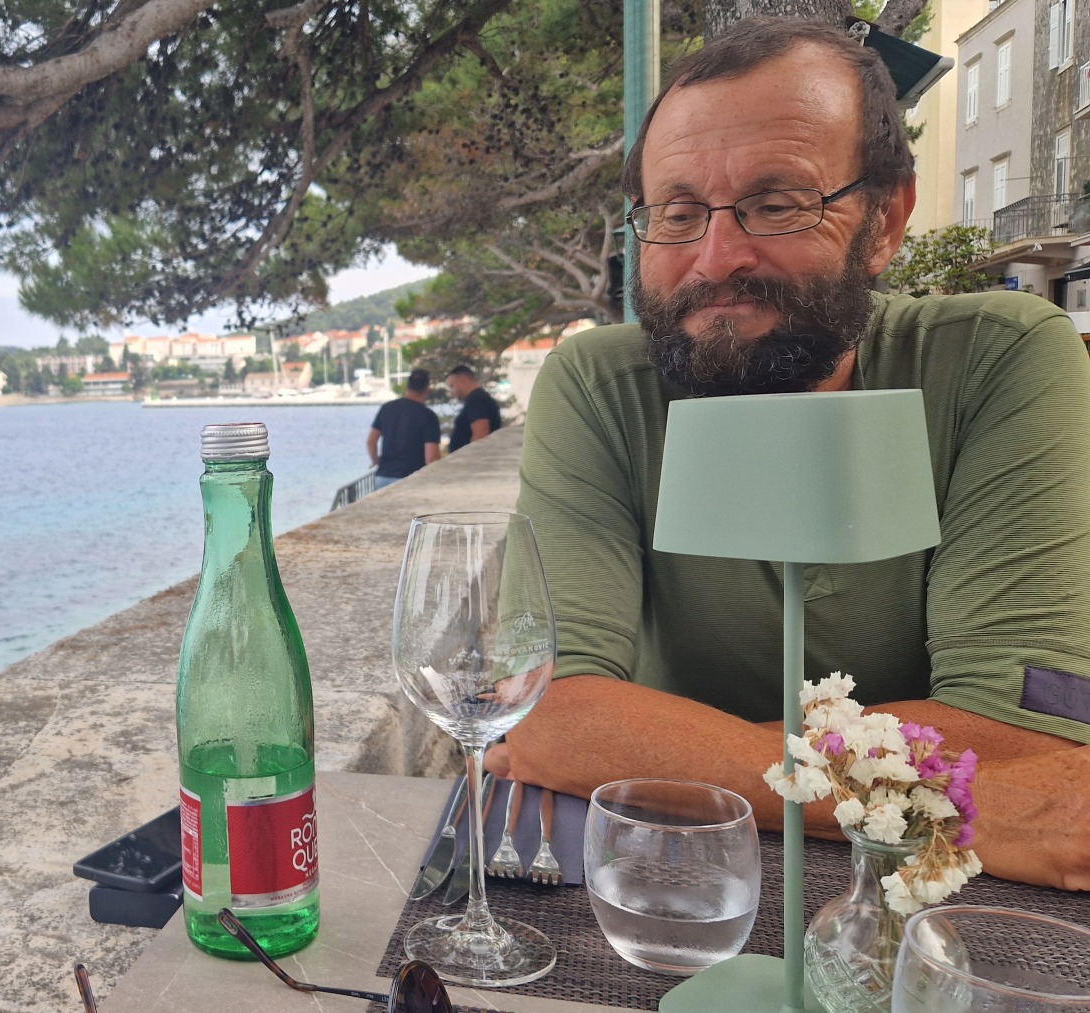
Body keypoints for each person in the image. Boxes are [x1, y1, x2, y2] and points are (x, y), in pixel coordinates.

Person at [495, 18, 1090, 891]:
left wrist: (643, 748)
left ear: (885, 220)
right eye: (678, 213)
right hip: (686, 882)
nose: (715, 258)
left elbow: (1026, 738)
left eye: (777, 204)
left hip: (916, 895)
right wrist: (944, 801)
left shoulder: (998, 358)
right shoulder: (597, 384)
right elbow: (547, 715)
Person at [366, 368, 441, 489]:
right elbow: (431, 457)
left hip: (383, 477)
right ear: (427, 390)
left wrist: (375, 461)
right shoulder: (428, 416)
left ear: (407, 387)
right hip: (412, 478)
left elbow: (371, 441)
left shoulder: (386, 408)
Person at [443, 364, 502, 453]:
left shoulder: (476, 400)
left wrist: (471, 457)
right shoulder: (476, 399)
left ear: (462, 380)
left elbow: (481, 435)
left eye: (452, 386)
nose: (451, 392)